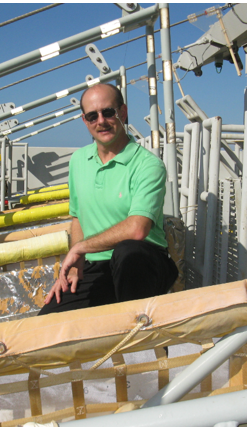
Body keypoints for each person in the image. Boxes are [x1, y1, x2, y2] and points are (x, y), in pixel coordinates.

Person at [40, 83, 178, 315]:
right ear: (85, 121)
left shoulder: (148, 165)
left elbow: (137, 230)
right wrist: (75, 267)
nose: (101, 121)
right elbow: (77, 219)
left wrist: (81, 248)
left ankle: (139, 341)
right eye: (92, 116)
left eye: (109, 112)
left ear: (123, 113)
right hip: (98, 266)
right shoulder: (78, 161)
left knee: (128, 252)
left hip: (144, 265)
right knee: (46, 324)